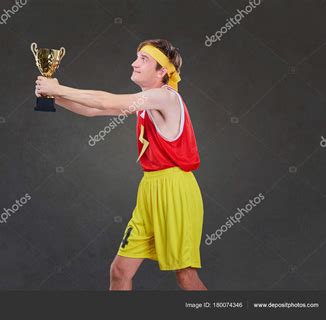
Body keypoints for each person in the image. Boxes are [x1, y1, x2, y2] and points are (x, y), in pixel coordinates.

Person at [35, 39, 207, 291]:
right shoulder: (146, 101)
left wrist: (60, 88)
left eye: (143, 59)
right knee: (120, 271)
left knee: (185, 276)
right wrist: (52, 96)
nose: (134, 63)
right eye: (136, 57)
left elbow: (107, 101)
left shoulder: (165, 97)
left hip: (175, 188)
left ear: (162, 72)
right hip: (150, 188)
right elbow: (94, 111)